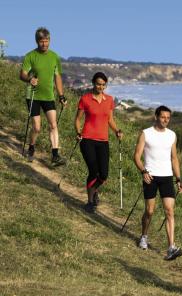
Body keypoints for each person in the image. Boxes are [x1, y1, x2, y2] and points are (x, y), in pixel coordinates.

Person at [133, 105, 182, 260]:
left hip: (167, 177)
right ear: (156, 116)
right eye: (163, 117)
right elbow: (136, 156)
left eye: (168, 118)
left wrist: (178, 179)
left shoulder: (172, 135)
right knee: (149, 211)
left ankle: (171, 247)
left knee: (169, 210)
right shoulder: (146, 133)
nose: (165, 120)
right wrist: (143, 171)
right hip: (151, 176)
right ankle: (144, 236)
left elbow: (174, 158)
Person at [74, 72, 123, 213]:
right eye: (98, 84)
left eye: (103, 84)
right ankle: (90, 201)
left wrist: (117, 131)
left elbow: (110, 120)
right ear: (93, 83)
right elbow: (77, 119)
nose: (100, 87)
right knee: (93, 171)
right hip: (87, 140)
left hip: (103, 141)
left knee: (104, 175)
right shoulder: (85, 99)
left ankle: (94, 190)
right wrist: (78, 133)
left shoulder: (109, 100)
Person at [19, 27, 67, 165]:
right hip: (33, 95)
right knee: (37, 127)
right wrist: (29, 79)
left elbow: (57, 77)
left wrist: (61, 95)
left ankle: (55, 155)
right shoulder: (30, 56)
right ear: (37, 41)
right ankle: (31, 148)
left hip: (48, 96)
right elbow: (22, 74)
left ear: (50, 40)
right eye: (42, 41)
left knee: (53, 125)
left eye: (47, 41)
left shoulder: (54, 57)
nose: (44, 44)